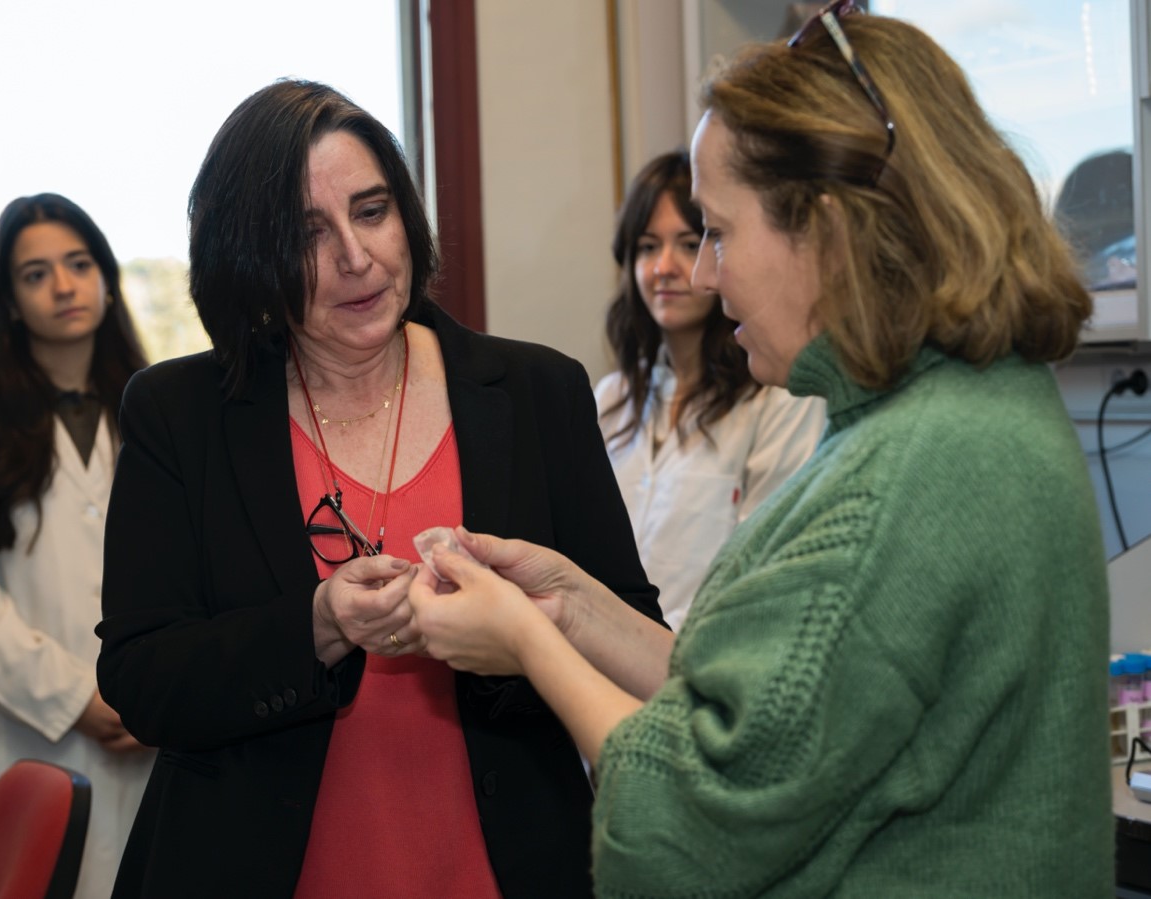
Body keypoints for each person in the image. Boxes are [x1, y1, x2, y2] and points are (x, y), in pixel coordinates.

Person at [409, 4, 1112, 895]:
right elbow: (774, 709)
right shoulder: (969, 407)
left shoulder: (902, 480)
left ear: (821, 229)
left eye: (717, 231)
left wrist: (522, 645)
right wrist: (568, 610)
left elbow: (675, 839)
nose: (701, 273)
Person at [95, 78, 660, 897]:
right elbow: (143, 679)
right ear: (245, 256)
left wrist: (509, 637)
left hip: (508, 867)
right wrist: (317, 626)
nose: (355, 259)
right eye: (306, 232)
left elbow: (630, 634)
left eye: (371, 211)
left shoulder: (538, 392)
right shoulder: (180, 414)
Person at [0, 193, 153, 897]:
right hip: (15, 735)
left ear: (107, 278)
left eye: (79, 264)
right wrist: (79, 694)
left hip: (148, 733)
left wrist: (154, 693)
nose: (64, 286)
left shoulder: (164, 410)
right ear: (10, 301)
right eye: (36, 273)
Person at [596, 149, 824, 628]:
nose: (665, 267)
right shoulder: (610, 399)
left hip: (709, 666)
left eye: (689, 242)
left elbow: (761, 577)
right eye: (646, 247)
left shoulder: (776, 399)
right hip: (596, 665)